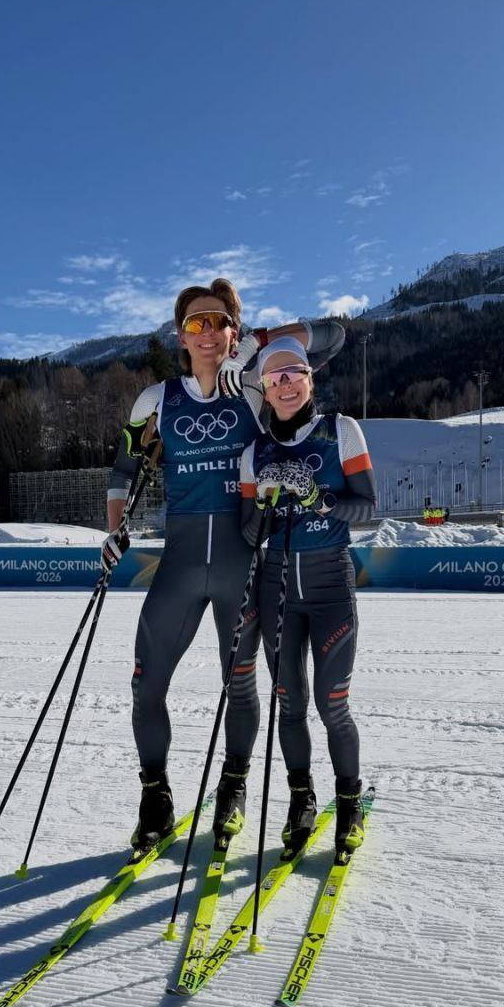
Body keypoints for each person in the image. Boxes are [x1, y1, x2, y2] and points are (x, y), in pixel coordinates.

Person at [105, 279, 345, 852]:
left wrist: (256, 348)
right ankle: (155, 795)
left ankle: (233, 786)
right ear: (180, 336)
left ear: (233, 331)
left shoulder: (257, 386)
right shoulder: (155, 400)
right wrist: (113, 528)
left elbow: (333, 336)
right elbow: (122, 471)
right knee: (145, 686)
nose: (206, 332)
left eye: (217, 322)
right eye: (195, 323)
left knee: (239, 686)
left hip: (243, 565)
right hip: (180, 564)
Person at [239, 337, 377, 859]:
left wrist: (321, 500)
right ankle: (301, 798)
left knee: (332, 705)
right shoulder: (255, 453)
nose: (286, 384)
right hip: (277, 589)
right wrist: (267, 510)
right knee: (289, 704)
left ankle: (348, 803)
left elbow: (369, 511)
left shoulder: (340, 431)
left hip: (328, 587)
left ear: (310, 378)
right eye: (275, 378)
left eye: (294, 372)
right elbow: (249, 533)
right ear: (265, 391)